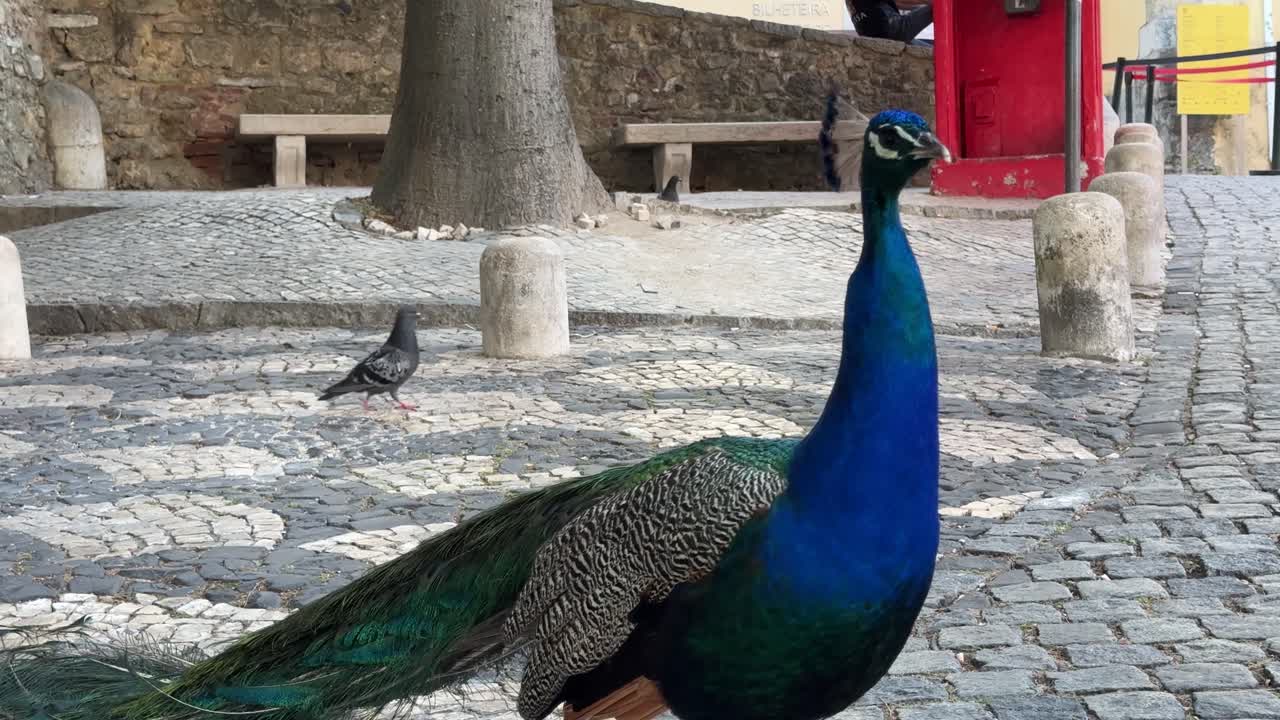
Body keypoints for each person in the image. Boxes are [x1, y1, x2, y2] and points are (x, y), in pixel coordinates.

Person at [848, 0, 933, 46]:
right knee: (937, 5)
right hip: (894, 30)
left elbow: (896, 3)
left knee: (930, 47)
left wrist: (920, 8)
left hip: (875, 36)